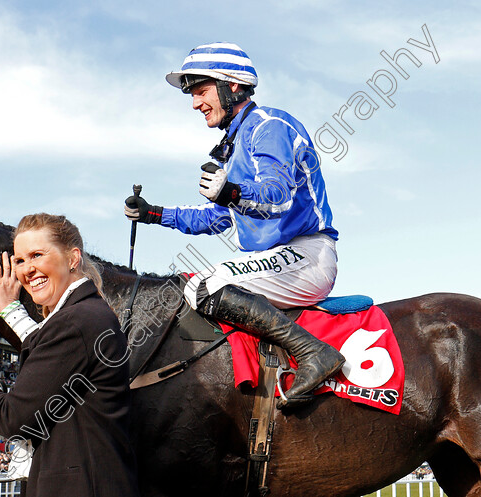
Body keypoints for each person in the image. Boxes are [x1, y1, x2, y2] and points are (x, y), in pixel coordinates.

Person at [124, 42, 344, 409]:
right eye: (192, 94)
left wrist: (230, 190)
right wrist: (153, 214)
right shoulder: (236, 143)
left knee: (202, 287)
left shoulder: (268, 127)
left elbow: (277, 197)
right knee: (188, 283)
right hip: (280, 258)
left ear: (233, 86)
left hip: (307, 255)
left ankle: (314, 354)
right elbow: (217, 218)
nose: (195, 103)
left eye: (201, 90)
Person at [0, 214, 139, 497]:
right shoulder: (84, 315)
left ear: (73, 258)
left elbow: (13, 418)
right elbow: (53, 356)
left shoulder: (74, 322)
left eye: (37, 255)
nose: (27, 269)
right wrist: (10, 310)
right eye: (19, 260)